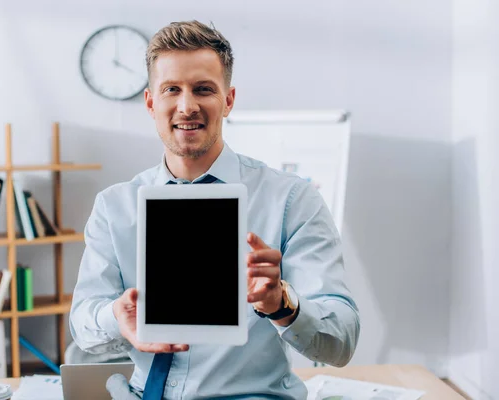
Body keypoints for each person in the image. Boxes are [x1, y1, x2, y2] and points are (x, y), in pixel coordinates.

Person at [70, 20, 360, 400]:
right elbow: (83, 321)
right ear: (151, 102)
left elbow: (341, 341)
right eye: (172, 89)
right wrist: (115, 317)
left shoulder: (292, 200)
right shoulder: (114, 207)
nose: (187, 106)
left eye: (203, 89)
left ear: (228, 100)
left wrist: (281, 304)